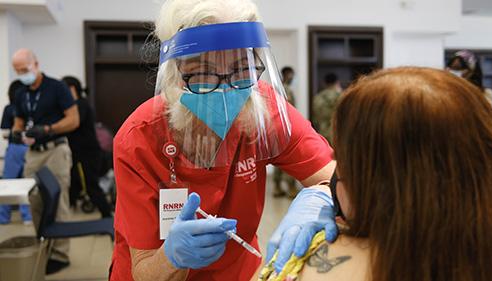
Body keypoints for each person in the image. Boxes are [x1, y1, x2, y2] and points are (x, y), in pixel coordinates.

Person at [110, 0, 338, 280]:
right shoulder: (139, 139)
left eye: (242, 70)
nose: (225, 89)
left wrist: (320, 199)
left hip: (238, 271)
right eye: (202, 73)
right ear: (173, 73)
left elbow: (340, 181)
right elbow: (144, 269)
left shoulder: (263, 109)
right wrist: (173, 257)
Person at [256, 66, 492, 281]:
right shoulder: (483, 256)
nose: (332, 168)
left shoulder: (300, 266)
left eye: (343, 158)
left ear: (384, 183)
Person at [10, 48, 80, 274]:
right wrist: (15, 133)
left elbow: (73, 120)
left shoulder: (57, 88)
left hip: (55, 151)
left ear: (36, 65)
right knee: (35, 201)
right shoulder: (21, 94)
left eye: (25, 69)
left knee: (57, 200)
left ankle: (60, 254)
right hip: (33, 153)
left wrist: (49, 128)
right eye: (18, 71)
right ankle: (44, 247)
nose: (22, 74)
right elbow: (19, 122)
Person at [62, 76, 112, 218]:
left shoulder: (80, 105)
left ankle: (107, 216)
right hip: (79, 154)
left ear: (71, 89)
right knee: (74, 184)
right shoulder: (75, 105)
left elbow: (73, 124)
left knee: (91, 186)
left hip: (88, 155)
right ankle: (67, 213)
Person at [0, 80, 31, 224]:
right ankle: (27, 217)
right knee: (28, 183)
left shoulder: (9, 108)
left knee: (8, 183)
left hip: (14, 147)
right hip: (29, 148)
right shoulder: (30, 107)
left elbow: (5, 132)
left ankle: (3, 217)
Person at [273, 66, 298, 198]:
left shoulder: (276, 88)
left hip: (276, 129)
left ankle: (277, 187)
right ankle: (291, 188)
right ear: (288, 75)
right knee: (289, 158)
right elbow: (289, 111)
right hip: (285, 129)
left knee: (278, 157)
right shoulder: (285, 90)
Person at [312, 72, 342, 144]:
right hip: (337, 133)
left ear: (324, 83)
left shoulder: (318, 97)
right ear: (337, 82)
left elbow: (315, 119)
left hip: (322, 134)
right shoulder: (341, 96)